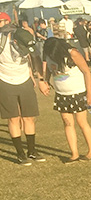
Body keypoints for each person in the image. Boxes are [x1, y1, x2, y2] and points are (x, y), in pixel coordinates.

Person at [0, 11, 50, 165]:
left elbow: (34, 56)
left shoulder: (22, 36)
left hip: (24, 80)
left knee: (29, 117)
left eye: (2, 21)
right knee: (13, 118)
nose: (1, 24)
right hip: (5, 80)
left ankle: (32, 151)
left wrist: (40, 79)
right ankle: (20, 153)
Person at [43, 36, 91, 163]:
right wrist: (45, 81)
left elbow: (86, 72)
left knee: (81, 122)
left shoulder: (72, 53)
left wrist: (89, 93)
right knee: (67, 122)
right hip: (62, 94)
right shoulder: (49, 55)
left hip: (78, 92)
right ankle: (74, 154)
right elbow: (49, 71)